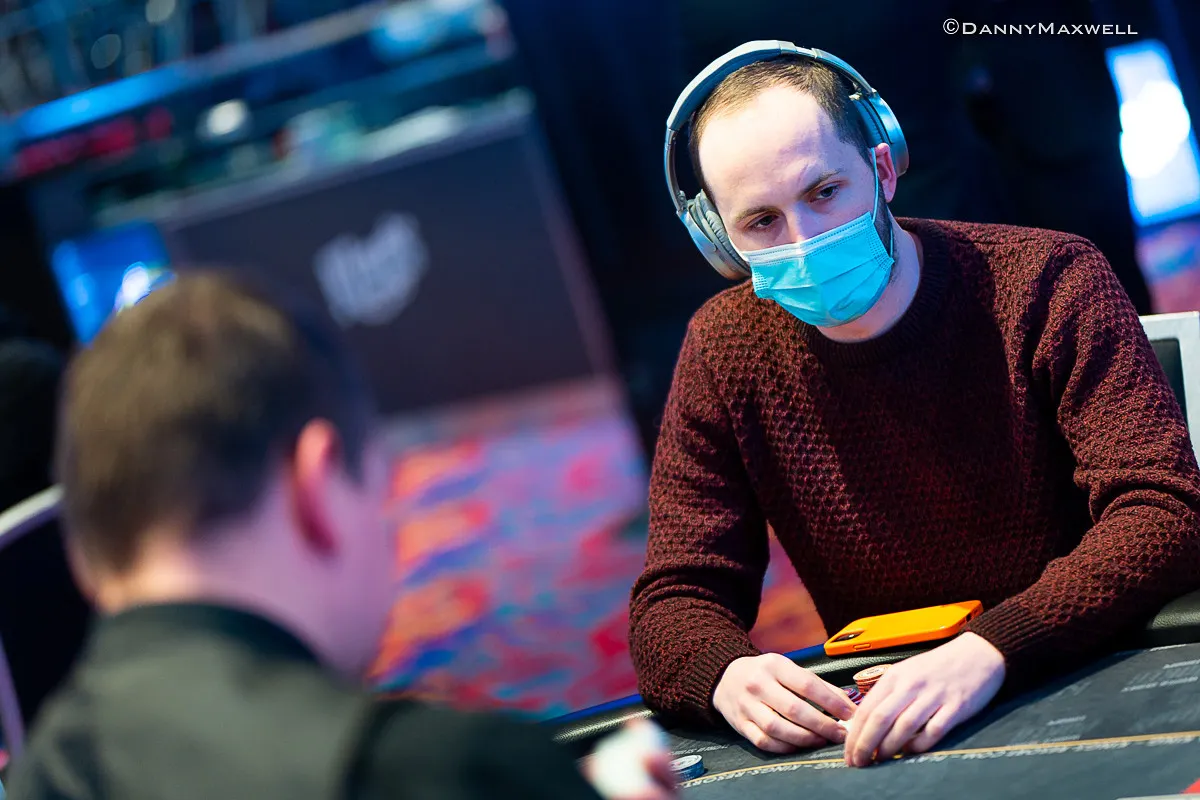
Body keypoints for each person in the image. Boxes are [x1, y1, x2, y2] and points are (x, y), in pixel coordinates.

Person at [629, 43, 1200, 771]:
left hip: (1090, 663)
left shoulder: (1049, 279)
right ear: (718, 239)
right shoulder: (723, 347)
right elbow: (674, 597)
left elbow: (1164, 514)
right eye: (762, 221)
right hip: (901, 715)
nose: (805, 239)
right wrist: (724, 674)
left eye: (824, 191)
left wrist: (995, 646)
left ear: (884, 167)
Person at [7, 272, 674, 800]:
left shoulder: (40, 776)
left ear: (83, 552)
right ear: (317, 489)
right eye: (379, 494)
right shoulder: (444, 770)